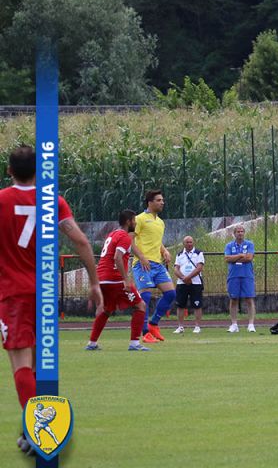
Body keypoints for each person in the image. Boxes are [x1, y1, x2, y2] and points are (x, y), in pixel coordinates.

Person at [0, 145, 102, 454]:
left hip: (13, 293)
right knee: (35, 365)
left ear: (9, 171)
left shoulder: (2, 201)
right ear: (39, 170)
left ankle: (39, 430)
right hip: (44, 292)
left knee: (19, 363)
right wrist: (94, 282)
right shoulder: (52, 201)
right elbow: (81, 240)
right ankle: (33, 428)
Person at [86, 209, 150, 351]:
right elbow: (117, 257)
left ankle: (92, 343)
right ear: (128, 222)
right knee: (141, 306)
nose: (135, 223)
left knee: (107, 310)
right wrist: (126, 280)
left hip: (102, 278)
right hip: (114, 279)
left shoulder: (113, 233)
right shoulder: (125, 236)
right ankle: (134, 344)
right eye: (134, 220)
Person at [130, 189, 175, 343]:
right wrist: (141, 257)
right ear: (150, 202)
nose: (162, 202)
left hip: (157, 264)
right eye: (159, 200)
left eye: (162, 200)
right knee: (146, 297)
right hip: (142, 264)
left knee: (171, 294)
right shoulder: (139, 219)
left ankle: (154, 324)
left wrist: (164, 250)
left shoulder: (160, 222)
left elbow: (156, 241)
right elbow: (129, 240)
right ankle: (145, 332)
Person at [225, 225, 256, 333]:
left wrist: (235, 258)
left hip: (247, 275)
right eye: (238, 231)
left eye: (242, 231)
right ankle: (234, 324)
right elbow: (227, 258)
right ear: (234, 233)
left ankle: (251, 324)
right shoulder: (229, 245)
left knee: (249, 299)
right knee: (233, 300)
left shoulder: (249, 244)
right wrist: (241, 255)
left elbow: (249, 258)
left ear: (244, 233)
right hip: (233, 275)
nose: (240, 233)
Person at [173, 236, 205, 334]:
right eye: (187, 242)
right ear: (184, 243)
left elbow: (199, 268)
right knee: (180, 305)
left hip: (195, 283)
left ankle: (197, 326)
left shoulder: (199, 253)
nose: (189, 244)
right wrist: (183, 278)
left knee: (197, 304)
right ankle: (180, 326)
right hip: (181, 283)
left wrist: (189, 277)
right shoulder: (179, 254)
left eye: (191, 242)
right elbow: (176, 269)